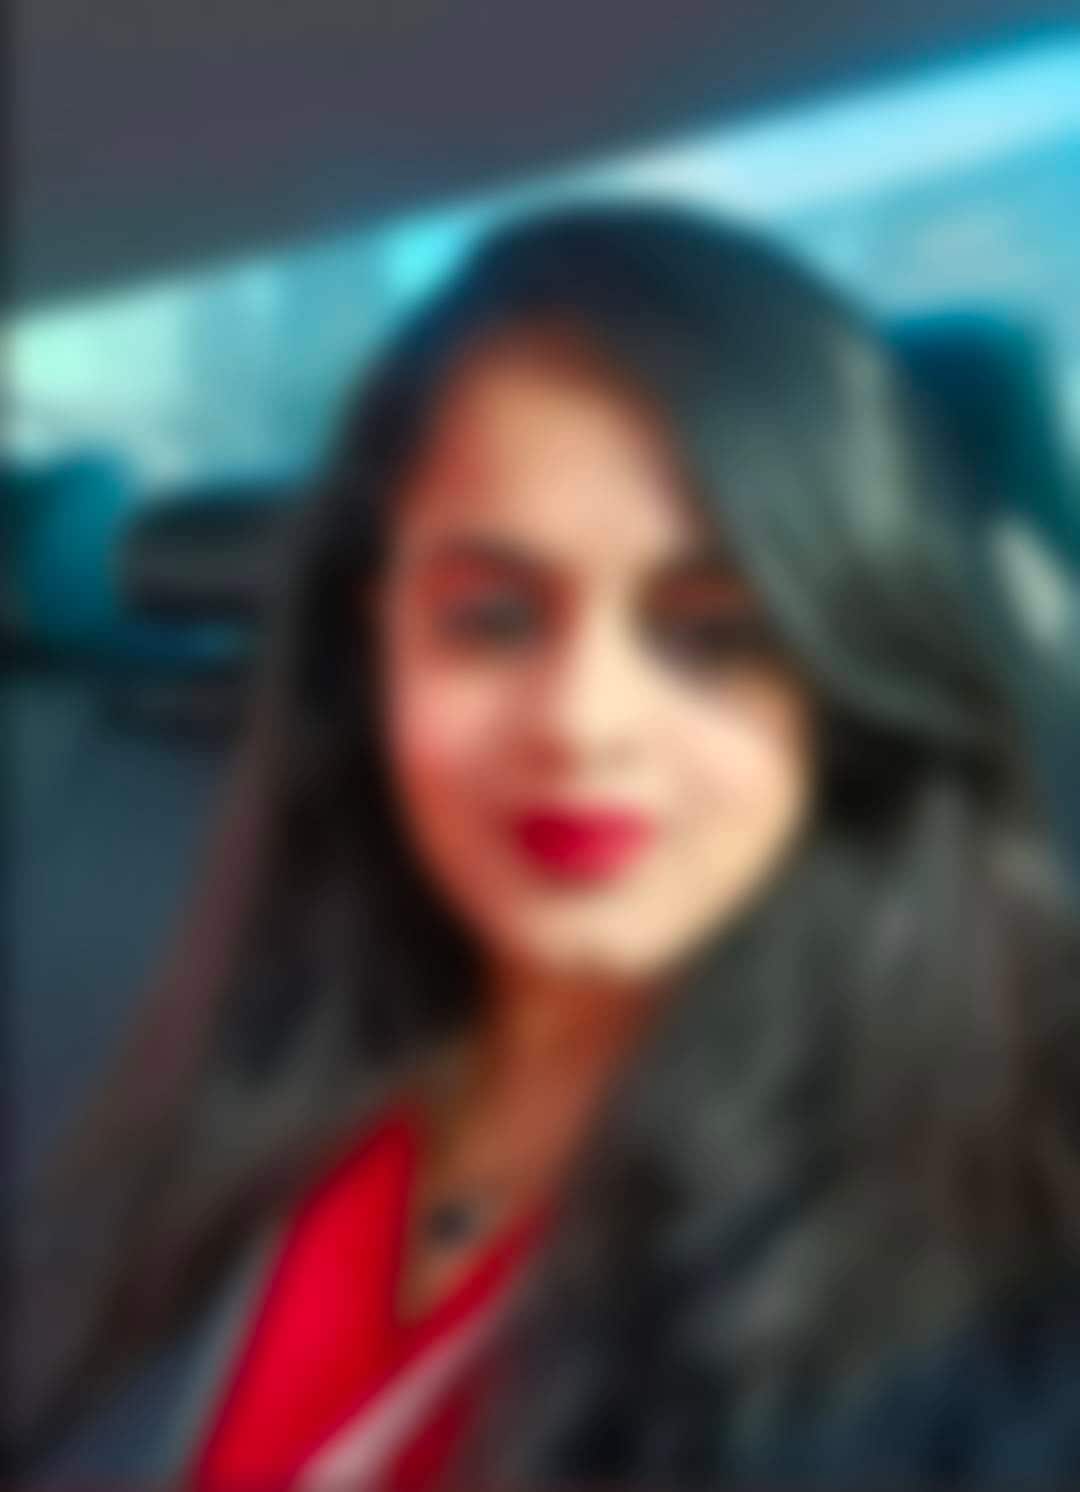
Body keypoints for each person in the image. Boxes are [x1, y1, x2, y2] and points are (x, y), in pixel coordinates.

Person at [14, 203, 1080, 1490]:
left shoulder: (1001, 1262)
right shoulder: (242, 1052)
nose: (583, 721)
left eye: (713, 632)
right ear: (377, 639)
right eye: (492, 617)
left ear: (840, 673)